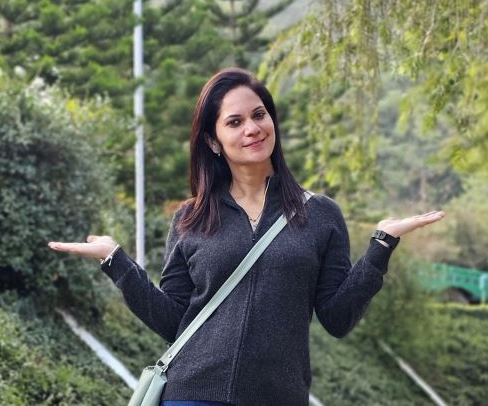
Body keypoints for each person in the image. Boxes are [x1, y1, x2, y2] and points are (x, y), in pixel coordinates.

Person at [48, 68, 445, 406]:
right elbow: (175, 321)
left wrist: (381, 246)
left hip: (279, 396)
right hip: (193, 394)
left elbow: (338, 318)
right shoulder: (191, 218)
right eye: (234, 122)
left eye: (259, 115)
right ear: (212, 141)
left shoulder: (320, 215)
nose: (252, 129)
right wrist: (116, 261)